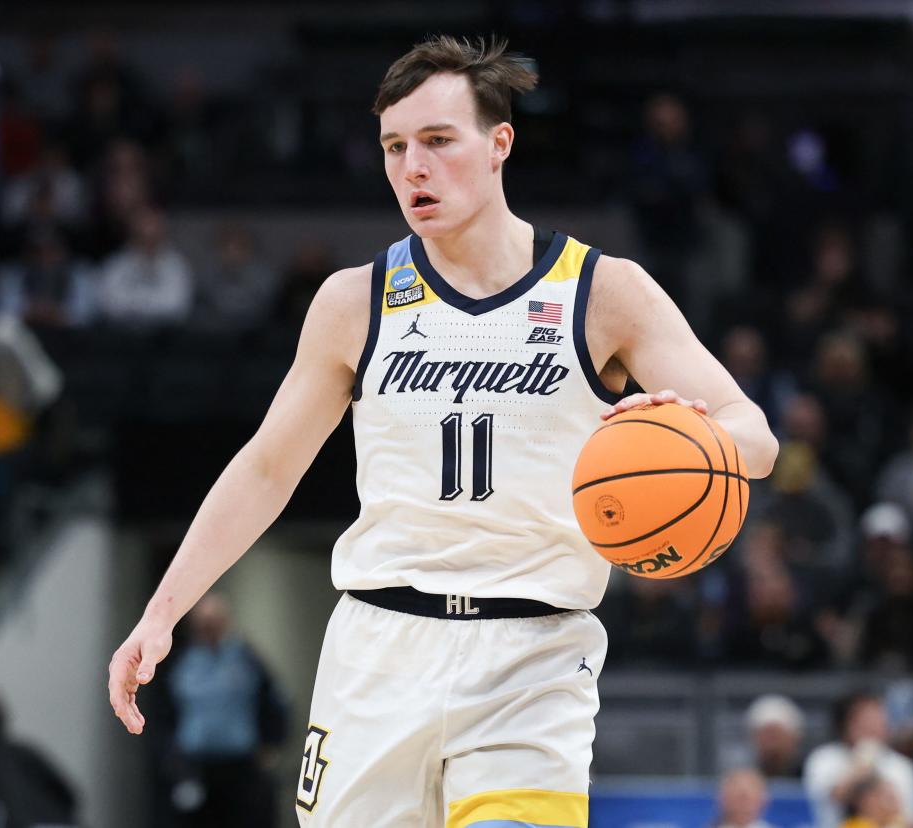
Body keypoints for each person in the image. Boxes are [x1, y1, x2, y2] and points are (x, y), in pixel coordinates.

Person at [107, 35, 778, 827]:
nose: (412, 168)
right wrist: (161, 614)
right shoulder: (354, 302)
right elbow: (265, 471)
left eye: (436, 141)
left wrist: (683, 433)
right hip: (379, 651)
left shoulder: (605, 292)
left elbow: (756, 437)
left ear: (499, 144)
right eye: (394, 147)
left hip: (533, 657)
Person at [164, 593, 287, 828]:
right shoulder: (182, 661)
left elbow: (275, 700)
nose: (209, 627)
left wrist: (272, 744)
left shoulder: (245, 658)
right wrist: (172, 761)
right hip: (195, 766)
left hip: (241, 765)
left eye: (214, 620)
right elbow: (165, 714)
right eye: (203, 622)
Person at [803, 691, 913, 828]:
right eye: (865, 719)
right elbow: (834, 797)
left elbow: (912, 818)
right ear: (845, 723)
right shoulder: (824, 759)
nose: (873, 725)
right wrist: (863, 760)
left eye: (878, 718)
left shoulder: (902, 766)